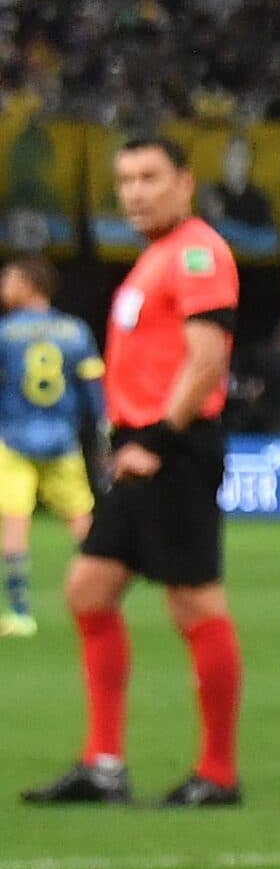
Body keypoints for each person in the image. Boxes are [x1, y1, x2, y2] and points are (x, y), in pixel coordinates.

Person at [22, 135, 245, 808]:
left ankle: (218, 773)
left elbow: (205, 359)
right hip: (141, 447)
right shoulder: (157, 257)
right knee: (89, 589)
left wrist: (157, 437)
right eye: (125, 180)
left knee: (195, 602)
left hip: (171, 445)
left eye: (150, 177)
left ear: (185, 180)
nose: (136, 192)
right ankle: (104, 765)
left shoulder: (198, 252)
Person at [0, 257, 107, 638]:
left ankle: (20, 611)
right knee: (82, 522)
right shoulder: (75, 331)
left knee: (14, 521)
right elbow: (93, 392)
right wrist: (102, 438)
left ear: (31, 284)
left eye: (9, 279)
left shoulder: (6, 332)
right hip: (62, 439)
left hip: (14, 437)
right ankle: (106, 595)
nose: (3, 286)